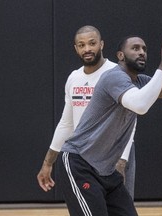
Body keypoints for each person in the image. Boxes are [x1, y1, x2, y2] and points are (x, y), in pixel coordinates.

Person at [56, 32, 162, 216]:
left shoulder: (140, 82)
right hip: (80, 164)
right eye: (135, 48)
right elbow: (140, 105)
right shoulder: (114, 77)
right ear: (120, 55)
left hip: (107, 172)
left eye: (144, 49)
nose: (141, 52)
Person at [37, 25, 136, 199]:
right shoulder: (74, 78)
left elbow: (130, 121)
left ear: (102, 44)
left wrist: (122, 161)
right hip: (84, 157)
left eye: (92, 43)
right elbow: (66, 123)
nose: (87, 49)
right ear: (76, 49)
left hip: (115, 155)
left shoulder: (117, 74)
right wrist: (48, 162)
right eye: (82, 45)